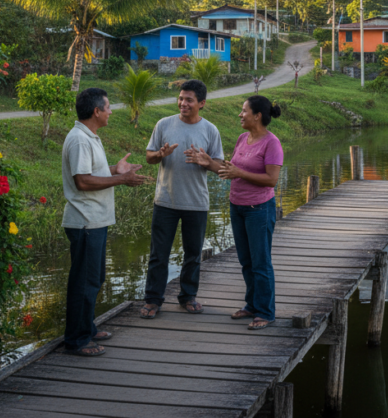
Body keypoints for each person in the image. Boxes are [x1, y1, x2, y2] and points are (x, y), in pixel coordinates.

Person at [62, 88, 152, 357]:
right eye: (108, 107)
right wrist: (122, 180)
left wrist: (116, 169)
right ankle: (77, 340)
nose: (111, 111)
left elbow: (92, 173)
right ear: (96, 112)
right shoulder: (79, 139)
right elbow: (83, 181)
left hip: (95, 221)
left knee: (94, 278)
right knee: (84, 282)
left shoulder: (90, 136)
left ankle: (86, 328)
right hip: (85, 222)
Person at [140, 79, 224, 319]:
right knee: (159, 254)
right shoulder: (163, 124)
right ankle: (153, 300)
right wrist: (160, 154)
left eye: (189, 100)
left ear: (202, 104)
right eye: (180, 98)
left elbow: (220, 167)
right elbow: (149, 157)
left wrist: (206, 162)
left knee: (193, 253)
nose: (182, 103)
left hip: (196, 203)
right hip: (165, 201)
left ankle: (188, 296)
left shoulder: (210, 130)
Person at [218, 95, 283, 330]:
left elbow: (271, 180)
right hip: (237, 206)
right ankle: (252, 305)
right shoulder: (242, 138)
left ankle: (265, 312)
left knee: (261, 262)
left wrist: (240, 174)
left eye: (244, 110)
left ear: (257, 116)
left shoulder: (271, 143)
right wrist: (207, 161)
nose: (240, 114)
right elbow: (232, 169)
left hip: (259, 210)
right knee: (246, 261)